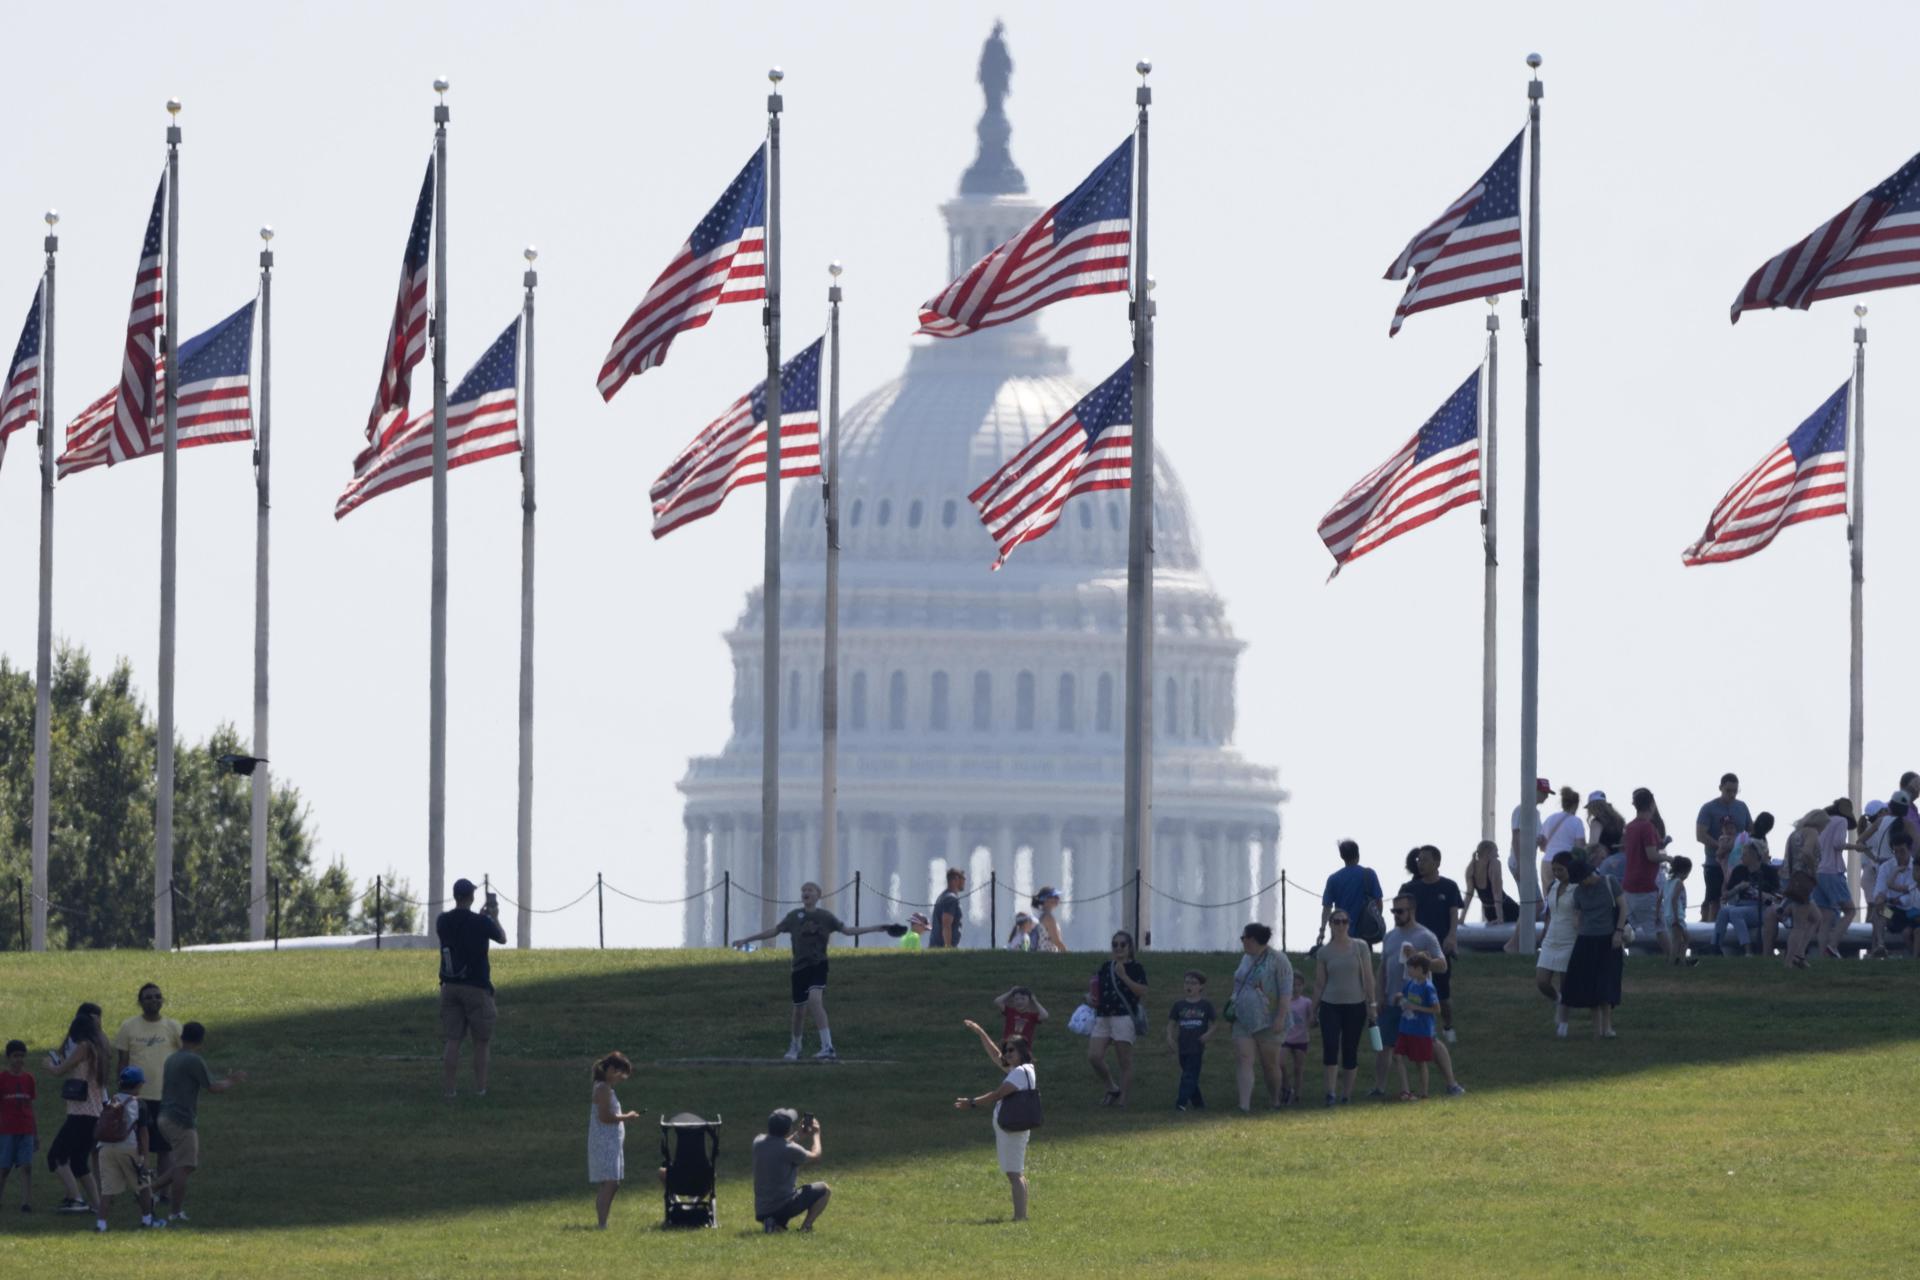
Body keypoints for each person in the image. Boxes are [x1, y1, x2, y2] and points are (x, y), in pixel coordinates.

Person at [731, 881, 895, 1060]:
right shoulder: (794, 916)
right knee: (799, 1011)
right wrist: (746, 939)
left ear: (818, 895)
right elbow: (774, 931)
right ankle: (795, 1046)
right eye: (803, 890)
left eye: (810, 890)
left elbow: (848, 931)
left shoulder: (826, 917)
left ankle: (828, 1047)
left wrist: (876, 928)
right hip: (799, 968)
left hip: (818, 965)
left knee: (815, 1001)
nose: (805, 893)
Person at [1371, 898, 1464, 1096]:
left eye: (1400, 911)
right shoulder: (1389, 937)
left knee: (1431, 1042)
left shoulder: (1425, 936)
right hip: (1392, 999)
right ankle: (1379, 1088)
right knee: (1385, 1044)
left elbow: (1442, 965)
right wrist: (1379, 996)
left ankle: (1452, 1084)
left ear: (1411, 911)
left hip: (1417, 1001)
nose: (1396, 915)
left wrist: (1419, 956)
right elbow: (1382, 969)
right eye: (1393, 911)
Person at [155, 1021, 245, 1224]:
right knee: (185, 1166)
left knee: (182, 1163)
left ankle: (148, 1191)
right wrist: (232, 1080)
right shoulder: (193, 1060)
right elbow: (212, 1087)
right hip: (180, 1119)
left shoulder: (172, 1059)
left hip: (164, 1116)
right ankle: (175, 1212)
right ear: (201, 1040)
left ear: (182, 1037)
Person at [953, 1034, 1037, 1222]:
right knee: (1016, 1172)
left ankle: (1020, 1217)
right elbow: (995, 1055)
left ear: (1022, 1051)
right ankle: (1021, 1215)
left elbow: (997, 1094)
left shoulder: (1019, 1072)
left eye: (1011, 1050)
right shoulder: (1024, 1069)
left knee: (1014, 1174)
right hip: (1013, 1128)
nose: (1007, 1054)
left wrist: (972, 1103)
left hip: (1012, 1129)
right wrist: (980, 1032)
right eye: (1006, 1050)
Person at [437, 877, 507, 1099]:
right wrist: (492, 918)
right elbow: (502, 938)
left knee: (453, 1039)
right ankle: (480, 1089)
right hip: (476, 986)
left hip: (450, 985)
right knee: (481, 1041)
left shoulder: (442, 921)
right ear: (471, 896)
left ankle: (450, 1090)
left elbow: (460, 928)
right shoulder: (481, 922)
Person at [113, 983, 180, 1188]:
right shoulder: (129, 1026)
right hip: (137, 1097)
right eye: (149, 997)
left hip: (165, 1097)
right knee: (138, 1146)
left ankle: (162, 1191)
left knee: (164, 1148)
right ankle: (141, 1187)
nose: (154, 1000)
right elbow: (122, 1061)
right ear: (140, 1002)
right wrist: (122, 1093)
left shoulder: (173, 1027)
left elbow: (184, 1058)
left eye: (158, 996)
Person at [1398, 847, 1464, 1041]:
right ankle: (1413, 1026)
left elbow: (1454, 913)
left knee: (1442, 991)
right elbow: (1400, 915)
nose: (1420, 863)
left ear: (1437, 863)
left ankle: (1448, 1027)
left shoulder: (1449, 886)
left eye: (1425, 860)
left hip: (1439, 948)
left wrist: (1452, 936)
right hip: (1414, 946)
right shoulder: (1409, 889)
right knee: (1411, 985)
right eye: (1419, 859)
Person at [45, 1008, 106, 1219]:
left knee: (56, 1156)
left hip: (81, 1113)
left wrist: (49, 1064)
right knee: (79, 1162)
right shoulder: (98, 1048)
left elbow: (59, 1071)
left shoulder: (83, 1047)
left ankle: (76, 1199)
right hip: (94, 1113)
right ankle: (98, 1205)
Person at [1313, 909, 1377, 1106]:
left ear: (1349, 924)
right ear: (1330, 924)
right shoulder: (1324, 952)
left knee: (1350, 1049)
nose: (1341, 925)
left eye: (1344, 922)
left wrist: (1372, 1004)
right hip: (1330, 1005)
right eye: (1336, 922)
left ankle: (1346, 1094)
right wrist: (1313, 1008)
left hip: (1355, 1005)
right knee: (1330, 1047)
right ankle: (1330, 1093)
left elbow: (1368, 977)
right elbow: (1319, 983)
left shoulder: (1360, 946)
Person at [1561, 859, 1627, 1038]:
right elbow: (1577, 913)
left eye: (1583, 879)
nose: (1582, 884)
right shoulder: (1579, 892)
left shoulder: (1609, 881)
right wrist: (1576, 924)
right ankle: (1597, 1030)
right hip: (1585, 940)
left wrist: (1619, 932)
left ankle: (1608, 1027)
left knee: (1606, 984)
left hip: (1608, 939)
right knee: (1590, 985)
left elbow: (1623, 907)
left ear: (1590, 874)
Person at [1225, 922, 1288, 1112]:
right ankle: (1244, 1105)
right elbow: (1238, 982)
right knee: (1244, 1058)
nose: (1242, 942)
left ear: (1252, 940)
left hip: (1268, 1019)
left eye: (1243, 938)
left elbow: (1286, 991)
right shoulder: (1245, 959)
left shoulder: (1278, 959)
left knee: (1269, 1065)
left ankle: (1275, 1099)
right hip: (1242, 1018)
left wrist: (1280, 1017)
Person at [94, 1066, 166, 1231]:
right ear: (139, 1084)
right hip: (128, 1147)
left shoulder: (112, 1100)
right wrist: (145, 1157)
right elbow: (143, 1133)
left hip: (105, 1147)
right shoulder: (139, 1103)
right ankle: (147, 1221)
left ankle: (101, 1224)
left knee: (107, 1190)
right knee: (143, 1186)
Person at [1086, 931, 1148, 1107]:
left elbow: (1142, 991)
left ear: (1129, 948)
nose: (1118, 948)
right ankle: (1112, 1087)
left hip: (1124, 1016)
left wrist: (1124, 976)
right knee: (1094, 1056)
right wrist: (1090, 999)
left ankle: (1123, 1099)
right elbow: (1096, 988)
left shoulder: (1136, 968)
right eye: (1115, 944)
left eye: (1122, 944)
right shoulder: (1106, 966)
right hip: (1103, 1015)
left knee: (1124, 1060)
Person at [751, 1109, 829, 1233]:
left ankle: (774, 1223)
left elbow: (778, 1145)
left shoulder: (758, 1142)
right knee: (824, 1189)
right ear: (788, 1129)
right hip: (783, 1206)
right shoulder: (792, 1150)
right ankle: (806, 1228)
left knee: (779, 1220)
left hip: (762, 1209)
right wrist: (816, 1134)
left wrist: (798, 1135)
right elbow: (816, 1156)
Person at [588, 1051, 639, 1229]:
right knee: (611, 1182)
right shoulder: (602, 1088)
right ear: (611, 1069)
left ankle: (602, 1221)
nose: (621, 1078)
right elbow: (604, 1117)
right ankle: (602, 1223)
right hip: (605, 1141)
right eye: (620, 1074)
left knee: (610, 1182)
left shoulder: (606, 1087)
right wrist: (627, 1117)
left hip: (611, 1141)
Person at [1697, 773, 1752, 921]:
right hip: (1714, 864)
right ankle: (1710, 932)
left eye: (1735, 791)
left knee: (1740, 899)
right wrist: (1722, 846)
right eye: (1728, 791)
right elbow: (1700, 835)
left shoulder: (1742, 807)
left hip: (1739, 865)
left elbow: (1751, 831)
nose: (1732, 794)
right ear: (1720, 788)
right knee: (1714, 900)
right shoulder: (1708, 808)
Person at [1622, 788, 1671, 947]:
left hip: (1629, 883)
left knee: (1628, 923)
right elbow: (1651, 855)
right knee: (1660, 926)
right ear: (1651, 805)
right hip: (1645, 884)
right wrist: (1668, 858)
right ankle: (1674, 960)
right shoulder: (1647, 827)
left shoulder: (1630, 827)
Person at [1536, 853, 1579, 1035]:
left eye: (1560, 869)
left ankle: (1563, 1023)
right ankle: (1558, 999)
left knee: (1565, 983)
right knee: (1542, 981)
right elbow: (1549, 914)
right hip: (1551, 939)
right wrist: (1544, 934)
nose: (1556, 873)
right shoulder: (1552, 886)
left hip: (1569, 939)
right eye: (1554, 869)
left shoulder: (1577, 888)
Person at [1716, 838, 1781, 957]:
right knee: (1724, 911)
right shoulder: (1739, 870)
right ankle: (1715, 946)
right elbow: (1725, 896)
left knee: (1735, 912)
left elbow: (1777, 896)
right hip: (1742, 905)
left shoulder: (1768, 872)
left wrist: (1760, 893)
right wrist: (1738, 888)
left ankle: (1748, 950)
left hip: (1761, 908)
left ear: (1754, 855)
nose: (1741, 857)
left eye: (1744, 854)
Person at [1813, 799, 1858, 960]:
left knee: (1826, 916)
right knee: (1850, 911)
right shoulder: (1841, 821)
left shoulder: (1823, 823)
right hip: (1832, 871)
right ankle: (1832, 946)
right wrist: (1855, 847)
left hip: (1817, 872)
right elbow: (1838, 844)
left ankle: (1822, 954)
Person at [1391, 953, 1441, 1100]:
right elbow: (1404, 997)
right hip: (1405, 1028)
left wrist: (1416, 1007)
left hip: (1421, 1030)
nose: (1408, 972)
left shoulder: (1428, 988)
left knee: (1420, 1062)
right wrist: (1398, 998)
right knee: (1397, 1056)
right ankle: (1405, 1090)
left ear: (1420, 969)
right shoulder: (1410, 984)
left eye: (1411, 969)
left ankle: (1424, 1092)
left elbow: (1436, 1009)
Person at [1165, 972, 1216, 1111]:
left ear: (1200, 987)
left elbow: (1215, 1024)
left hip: (1197, 1046)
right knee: (1190, 1074)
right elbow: (1171, 1023)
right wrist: (1169, 1037)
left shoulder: (1205, 1005)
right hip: (1183, 1046)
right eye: (1187, 982)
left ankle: (1180, 1103)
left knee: (1188, 1075)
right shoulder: (1179, 1005)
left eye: (1193, 983)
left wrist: (1208, 1034)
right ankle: (1198, 1103)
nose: (1189, 986)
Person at [1320, 839, 1385, 945]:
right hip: (1365, 932)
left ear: (1342, 856)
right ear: (1358, 854)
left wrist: (1322, 930)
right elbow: (1379, 902)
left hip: (1341, 931)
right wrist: (1376, 921)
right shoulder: (1369, 874)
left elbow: (1327, 908)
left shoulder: (1333, 879)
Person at [0, 1039, 36, 1212]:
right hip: (6, 1130)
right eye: (15, 1056)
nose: (19, 1060)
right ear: (8, 1057)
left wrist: (35, 1133)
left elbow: (30, 1105)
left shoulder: (28, 1079)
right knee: (4, 1167)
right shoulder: (2, 1078)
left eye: (22, 1056)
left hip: (26, 1128)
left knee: (26, 1166)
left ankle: (26, 1201)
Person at [1869, 835, 1918, 957]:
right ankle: (1880, 946)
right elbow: (1879, 892)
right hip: (1895, 914)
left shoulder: (1916, 868)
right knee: (1879, 910)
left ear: (1910, 849)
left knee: (1907, 932)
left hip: (1913, 914)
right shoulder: (1886, 867)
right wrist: (1880, 899)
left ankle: (1914, 958)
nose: (1898, 854)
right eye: (1896, 851)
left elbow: (1910, 896)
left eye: (1902, 851)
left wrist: (1895, 899)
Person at [1465, 840, 1519, 928]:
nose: (1498, 855)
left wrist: (1462, 918)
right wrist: (1500, 918)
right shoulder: (1495, 863)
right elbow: (1496, 893)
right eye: (1496, 852)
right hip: (1507, 910)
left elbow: (1468, 896)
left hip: (1489, 912)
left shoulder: (1471, 868)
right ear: (1487, 853)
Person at [1281, 982, 1313, 1107]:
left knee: (1298, 1068)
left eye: (1299, 985)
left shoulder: (1306, 1002)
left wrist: (1313, 1020)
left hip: (1301, 1039)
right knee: (1280, 1062)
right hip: (1286, 1038)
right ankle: (1287, 1087)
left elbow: (1311, 1018)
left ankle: (1297, 1095)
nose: (1295, 988)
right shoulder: (1284, 1001)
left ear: (1302, 987)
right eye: (1293, 985)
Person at [1660, 857, 1696, 966]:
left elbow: (1659, 899)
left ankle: (1682, 960)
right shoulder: (1679, 882)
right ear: (1683, 871)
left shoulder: (1667, 882)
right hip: (1676, 916)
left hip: (1667, 915)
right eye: (1687, 873)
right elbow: (1674, 899)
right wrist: (1676, 917)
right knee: (1677, 940)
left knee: (1684, 938)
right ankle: (1672, 963)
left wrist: (1657, 914)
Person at [931, 867, 966, 948]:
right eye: (963, 878)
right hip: (941, 947)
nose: (964, 881)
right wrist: (948, 946)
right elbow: (946, 924)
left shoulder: (943, 896)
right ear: (956, 880)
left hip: (936, 946)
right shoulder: (951, 898)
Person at [1031, 888, 1066, 952]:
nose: (1057, 899)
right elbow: (1056, 940)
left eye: (1057, 897)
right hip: (1048, 955)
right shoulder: (1048, 917)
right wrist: (1067, 954)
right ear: (1045, 900)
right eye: (1054, 897)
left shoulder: (1042, 915)